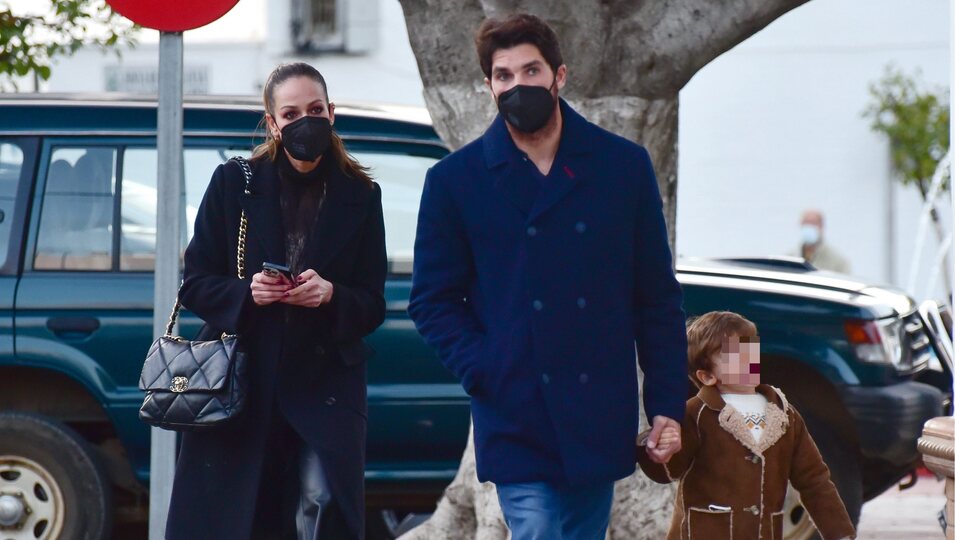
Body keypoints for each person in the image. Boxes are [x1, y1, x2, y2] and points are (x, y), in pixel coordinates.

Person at [408, 13, 688, 540]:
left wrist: (666, 405)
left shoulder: (621, 166)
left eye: (530, 71)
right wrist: (486, 366)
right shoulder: (455, 181)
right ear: (490, 85)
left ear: (559, 76)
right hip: (514, 407)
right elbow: (432, 300)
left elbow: (656, 297)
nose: (518, 85)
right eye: (504, 75)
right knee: (536, 529)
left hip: (596, 407)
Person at [166, 62, 386, 540]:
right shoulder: (235, 183)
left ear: (332, 113)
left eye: (315, 109)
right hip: (242, 379)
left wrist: (331, 295)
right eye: (290, 113)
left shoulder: (361, 195)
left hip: (325, 383)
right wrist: (248, 293)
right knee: (238, 517)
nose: (304, 121)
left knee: (323, 505)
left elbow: (372, 302)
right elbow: (196, 282)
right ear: (272, 123)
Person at [636, 311, 856, 540]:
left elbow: (814, 481)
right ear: (707, 377)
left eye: (750, 348)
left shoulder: (784, 415)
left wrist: (839, 533)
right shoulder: (696, 414)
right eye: (734, 355)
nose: (748, 358)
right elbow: (667, 469)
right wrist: (656, 445)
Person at [794, 209, 851, 274]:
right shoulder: (791, 257)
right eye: (806, 223)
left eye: (813, 223)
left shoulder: (838, 261)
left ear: (822, 226)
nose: (809, 227)